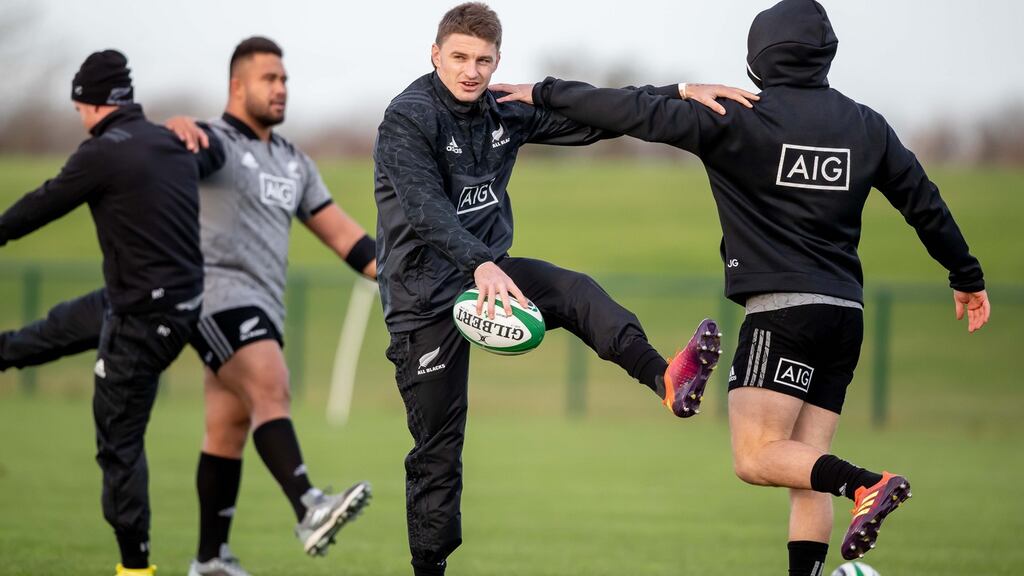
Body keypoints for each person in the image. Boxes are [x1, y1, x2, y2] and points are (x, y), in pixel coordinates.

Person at [492, 0, 991, 573]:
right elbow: (922, 202)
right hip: (844, 316)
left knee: (756, 457)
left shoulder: (734, 114)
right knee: (805, 463)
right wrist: (966, 275)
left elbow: (630, 111)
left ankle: (866, 485)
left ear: (757, 60)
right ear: (826, 55)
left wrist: (544, 92)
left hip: (782, 314)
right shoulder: (866, 124)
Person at [373, 4, 755, 574]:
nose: (471, 71)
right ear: (435, 55)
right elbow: (427, 210)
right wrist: (480, 262)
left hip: (489, 276)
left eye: (483, 59)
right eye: (458, 57)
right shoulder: (407, 117)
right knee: (438, 452)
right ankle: (429, 570)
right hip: (422, 296)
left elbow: (602, 116)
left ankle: (665, 379)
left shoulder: (504, 110)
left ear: (498, 60)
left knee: (575, 292)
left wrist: (679, 91)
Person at [0, 50, 224, 576]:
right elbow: (212, 158)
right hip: (155, 302)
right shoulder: (168, 140)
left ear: (91, 103)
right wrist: (199, 131)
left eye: (79, 105)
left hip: (145, 321)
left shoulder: (100, 153)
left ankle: (135, 569)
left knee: (118, 441)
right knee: (56, 327)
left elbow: (42, 203)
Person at [163, 36, 376, 574]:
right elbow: (160, 153)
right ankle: (309, 506)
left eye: (284, 79)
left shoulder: (293, 162)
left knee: (227, 428)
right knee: (270, 381)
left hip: (262, 304)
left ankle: (210, 558)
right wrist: (170, 131)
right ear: (237, 86)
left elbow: (344, 236)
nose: (281, 88)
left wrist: (407, 275)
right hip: (214, 297)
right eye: (268, 79)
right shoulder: (210, 142)